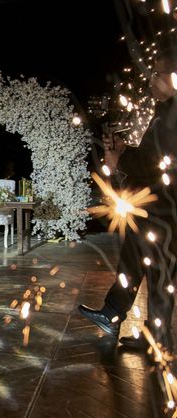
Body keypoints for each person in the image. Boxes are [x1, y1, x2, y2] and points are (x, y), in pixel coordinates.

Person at [78, 47, 177, 350]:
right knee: (142, 260)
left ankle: (153, 338)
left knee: (156, 269)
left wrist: (120, 158)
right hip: (159, 206)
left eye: (157, 74)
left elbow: (153, 161)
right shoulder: (166, 112)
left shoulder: (173, 115)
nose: (150, 80)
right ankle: (124, 320)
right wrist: (121, 153)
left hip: (166, 208)